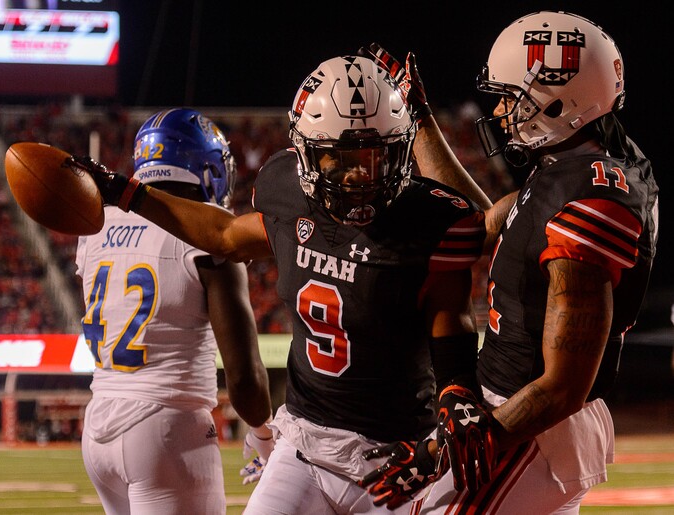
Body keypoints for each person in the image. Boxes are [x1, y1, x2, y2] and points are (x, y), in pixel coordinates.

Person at [71, 55, 493, 514]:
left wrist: (458, 390)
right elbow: (224, 236)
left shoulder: (431, 220)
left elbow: (452, 322)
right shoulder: (285, 190)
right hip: (305, 443)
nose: (359, 175)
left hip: (394, 451)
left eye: (376, 156)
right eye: (339, 157)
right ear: (306, 151)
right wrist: (126, 193)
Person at [366, 9, 659, 513]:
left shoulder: (590, 197)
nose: (501, 114)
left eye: (510, 99)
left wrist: (438, 452)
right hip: (512, 407)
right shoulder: (574, 165)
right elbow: (475, 221)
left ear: (560, 99)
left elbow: (562, 387)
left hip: (533, 423)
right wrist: (420, 120)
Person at [75, 108, 274, 515]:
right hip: (167, 428)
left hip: (98, 425)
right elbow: (243, 374)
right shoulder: (212, 231)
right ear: (205, 168)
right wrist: (263, 434)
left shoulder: (96, 226)